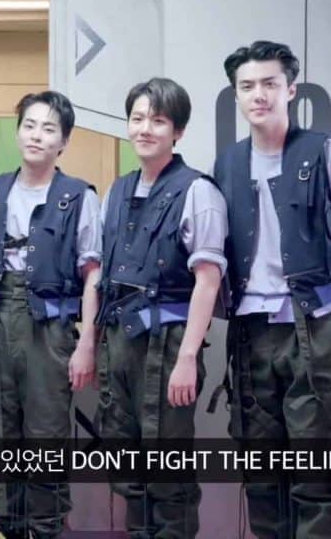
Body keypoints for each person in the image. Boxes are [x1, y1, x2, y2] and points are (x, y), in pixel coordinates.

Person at [214, 40, 331, 538]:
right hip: (250, 332)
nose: (258, 94)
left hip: (313, 328)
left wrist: (330, 314)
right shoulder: (227, 164)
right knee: (261, 470)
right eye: (247, 86)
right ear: (236, 95)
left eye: (269, 83)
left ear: (291, 90)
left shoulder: (328, 154)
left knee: (315, 469)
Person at [0, 90, 101, 539]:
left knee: (45, 435)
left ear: (64, 141)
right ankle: (11, 527)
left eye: (49, 128)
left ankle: (46, 528)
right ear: (18, 131)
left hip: (51, 327)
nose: (37, 135)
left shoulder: (79, 196)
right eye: (29, 125)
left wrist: (86, 344)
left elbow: (93, 275)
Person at [94, 77, 227, 538]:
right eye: (137, 118)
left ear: (178, 131)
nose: (144, 129)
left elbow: (208, 281)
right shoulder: (116, 192)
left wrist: (187, 358)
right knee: (127, 468)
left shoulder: (198, 191)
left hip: (168, 347)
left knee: (168, 471)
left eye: (158, 120)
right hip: (119, 343)